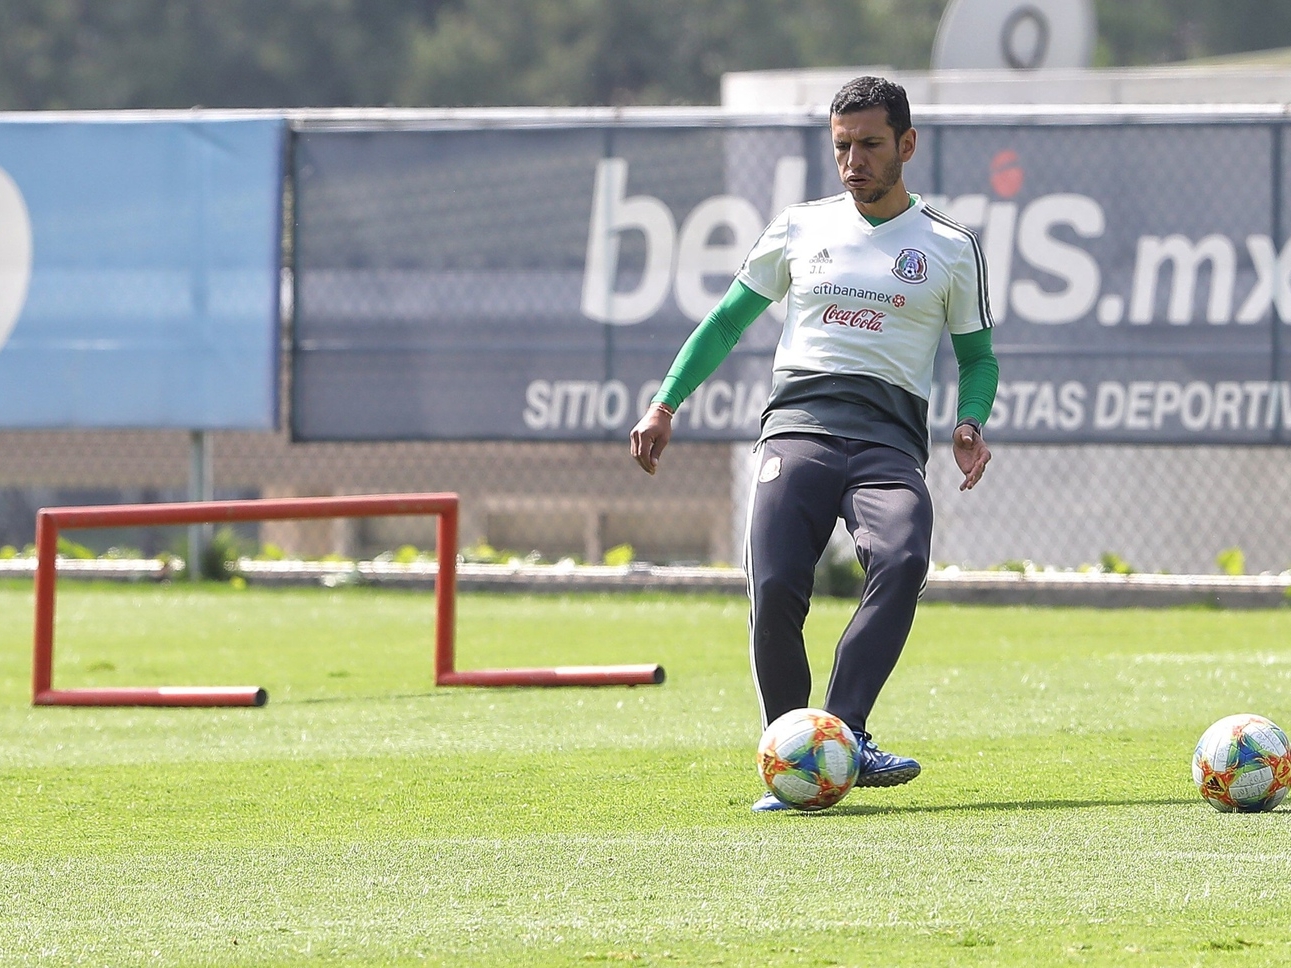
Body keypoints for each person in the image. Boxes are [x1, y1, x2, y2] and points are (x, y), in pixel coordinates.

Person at [629, 75, 999, 812]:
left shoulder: (949, 247)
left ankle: (847, 734)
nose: (852, 161)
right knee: (772, 587)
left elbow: (976, 357)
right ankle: (787, 755)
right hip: (796, 430)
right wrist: (666, 400)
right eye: (840, 147)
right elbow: (728, 322)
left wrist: (968, 421)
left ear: (906, 144)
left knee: (901, 557)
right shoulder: (799, 228)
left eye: (867, 145)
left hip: (888, 446)